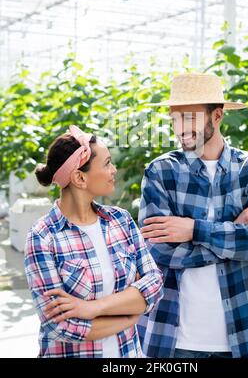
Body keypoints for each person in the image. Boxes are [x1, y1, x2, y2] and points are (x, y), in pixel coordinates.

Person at [138, 73, 248, 358]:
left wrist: (195, 230)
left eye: (189, 118)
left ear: (216, 116)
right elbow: (158, 252)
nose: (180, 129)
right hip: (174, 337)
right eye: (174, 119)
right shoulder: (161, 172)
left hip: (238, 335)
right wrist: (236, 231)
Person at [24, 125, 163, 358]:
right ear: (79, 177)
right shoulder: (43, 237)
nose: (114, 170)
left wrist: (92, 308)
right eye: (107, 163)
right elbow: (60, 326)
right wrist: (129, 315)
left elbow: (155, 284)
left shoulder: (121, 221)